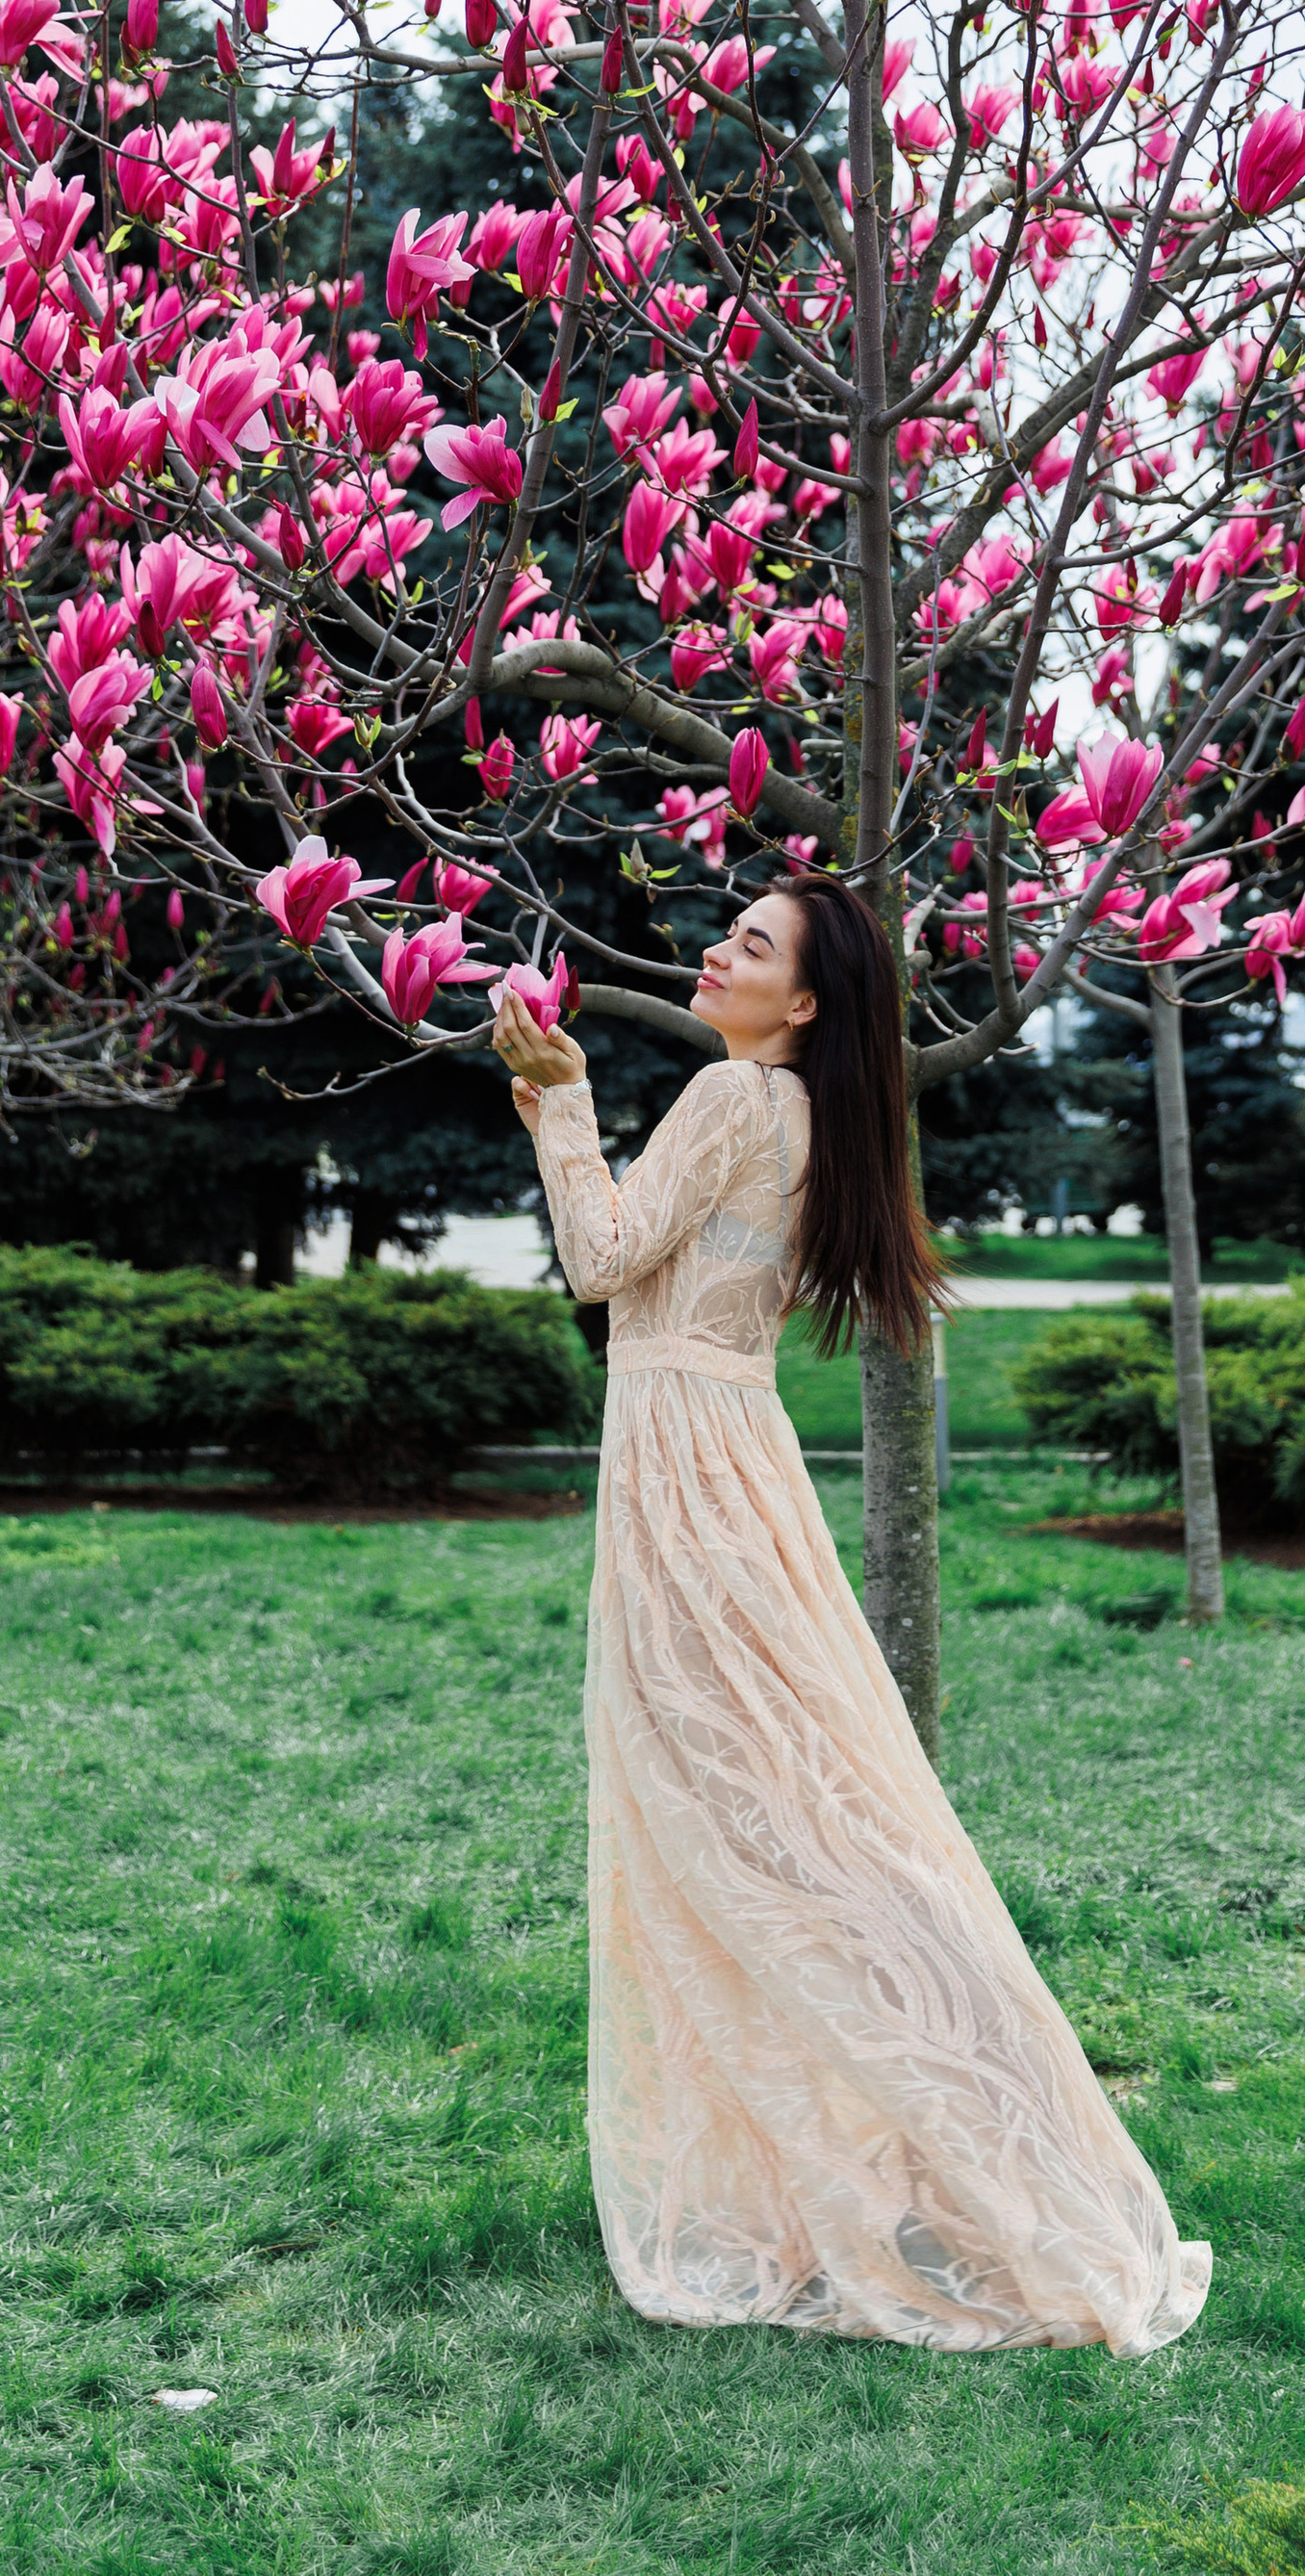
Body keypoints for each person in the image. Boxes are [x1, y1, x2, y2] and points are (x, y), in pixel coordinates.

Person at [492, 870, 1210, 2357]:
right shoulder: (807, 1118)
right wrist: (552, 1121)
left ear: (803, 1004)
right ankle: (911, 2135)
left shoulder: (737, 1098)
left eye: (751, 945)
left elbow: (603, 1264)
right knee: (804, 1814)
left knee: (750, 1822)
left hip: (690, 1474)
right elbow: (652, 1271)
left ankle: (932, 2131)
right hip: (727, 1461)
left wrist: (563, 1107)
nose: (717, 950)